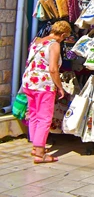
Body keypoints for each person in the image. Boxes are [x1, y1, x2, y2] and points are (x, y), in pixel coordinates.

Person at [22, 21, 70, 164]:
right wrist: (60, 87)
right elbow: (53, 69)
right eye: (64, 37)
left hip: (29, 82)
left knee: (34, 115)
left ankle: (35, 147)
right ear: (62, 34)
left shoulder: (36, 42)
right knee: (45, 118)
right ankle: (40, 153)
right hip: (44, 84)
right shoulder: (54, 45)